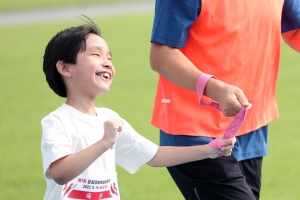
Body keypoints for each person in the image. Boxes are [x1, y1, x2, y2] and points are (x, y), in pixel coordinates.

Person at [40, 17, 236, 200]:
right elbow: (60, 173)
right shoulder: (58, 121)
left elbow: (155, 155)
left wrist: (209, 150)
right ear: (65, 68)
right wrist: (106, 142)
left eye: (109, 57)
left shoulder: (109, 119)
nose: (107, 63)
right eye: (96, 54)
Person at [149, 0, 300, 200]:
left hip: (251, 130)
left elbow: (295, 29)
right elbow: (161, 55)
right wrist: (215, 89)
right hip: (195, 136)